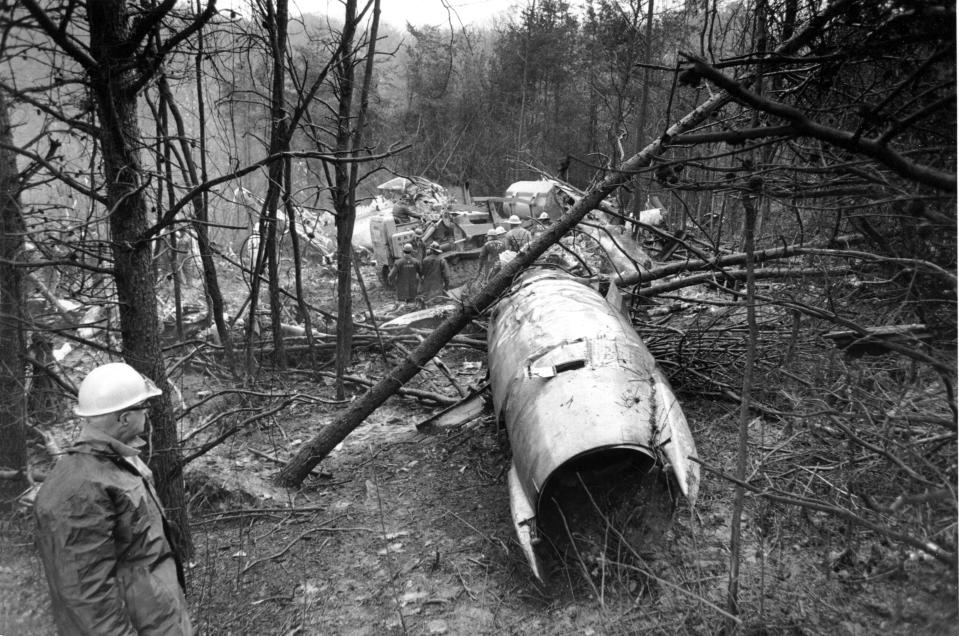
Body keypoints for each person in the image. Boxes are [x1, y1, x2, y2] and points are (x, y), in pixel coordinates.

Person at [34, 362, 193, 635]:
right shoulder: (80, 487)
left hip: (159, 619)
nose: (147, 415)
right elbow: (86, 597)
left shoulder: (116, 462)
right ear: (125, 419)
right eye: (143, 408)